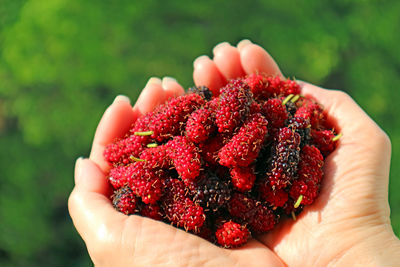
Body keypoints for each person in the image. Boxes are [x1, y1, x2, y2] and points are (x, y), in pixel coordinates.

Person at [68, 40, 400, 266]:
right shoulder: (176, 164)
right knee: (186, 155)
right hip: (200, 173)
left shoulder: (277, 134)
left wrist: (354, 245)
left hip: (257, 173)